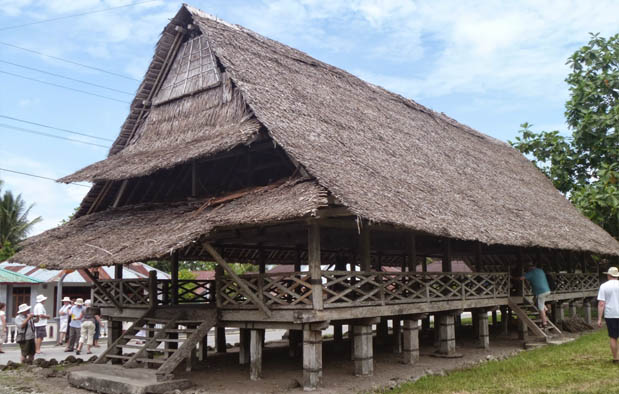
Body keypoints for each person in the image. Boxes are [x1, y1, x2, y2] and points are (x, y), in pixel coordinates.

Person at [598, 266, 619, 363]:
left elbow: (601, 303)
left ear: (609, 275)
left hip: (610, 314)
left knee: (613, 337)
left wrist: (599, 318)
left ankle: (616, 358)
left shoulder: (604, 286)